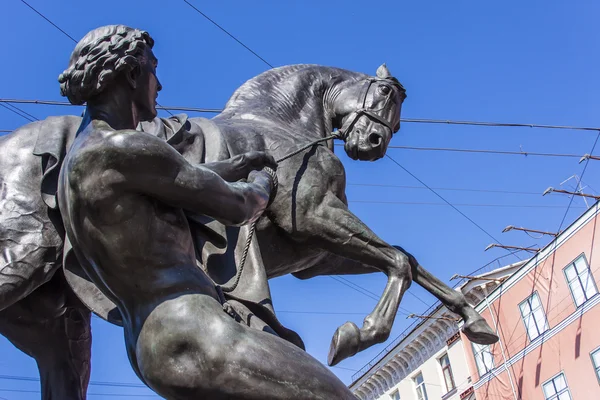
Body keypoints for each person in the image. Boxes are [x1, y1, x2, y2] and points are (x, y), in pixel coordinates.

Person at [57, 25, 355, 399]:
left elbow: (178, 180)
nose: (159, 86)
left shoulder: (82, 159)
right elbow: (239, 207)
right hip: (197, 334)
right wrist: (264, 180)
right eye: (153, 70)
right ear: (132, 74)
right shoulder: (125, 147)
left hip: (152, 345)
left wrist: (240, 162)